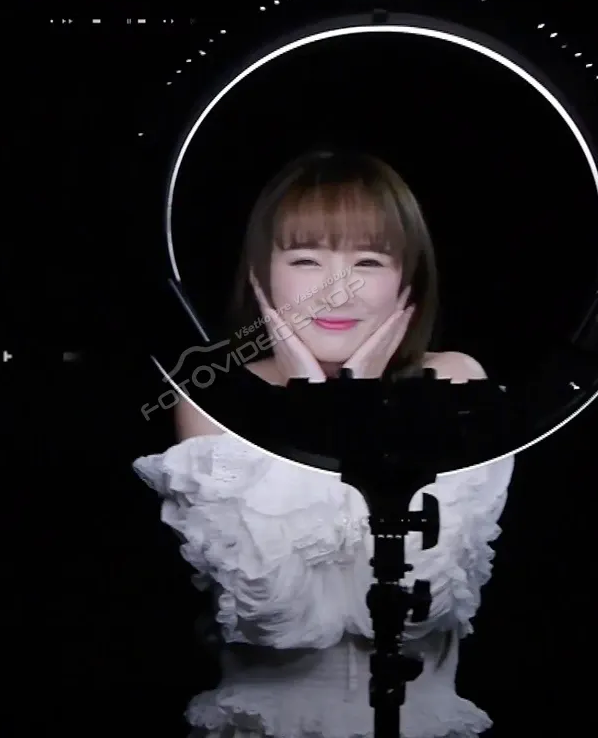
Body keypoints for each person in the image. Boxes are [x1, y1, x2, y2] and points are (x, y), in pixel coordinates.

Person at [133, 150, 514, 738]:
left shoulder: (455, 381)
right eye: (307, 259)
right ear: (262, 273)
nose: (338, 292)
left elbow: (414, 614)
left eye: (368, 261)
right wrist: (310, 401)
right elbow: (273, 617)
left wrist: (358, 398)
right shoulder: (214, 402)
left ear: (407, 278)